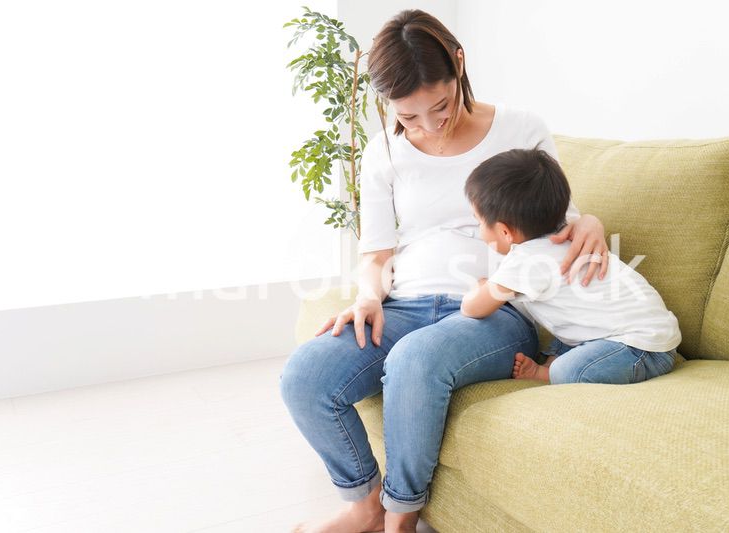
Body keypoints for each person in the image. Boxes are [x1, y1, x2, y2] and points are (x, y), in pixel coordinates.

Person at [279, 9, 611, 533]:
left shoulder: (521, 128)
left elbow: (558, 218)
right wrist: (368, 298)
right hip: (404, 306)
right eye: (408, 117)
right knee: (306, 376)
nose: (430, 127)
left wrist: (589, 219)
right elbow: (377, 253)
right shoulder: (383, 149)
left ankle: (399, 518)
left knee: (415, 360)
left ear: (459, 64)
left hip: (493, 315)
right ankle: (362, 507)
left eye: (440, 105)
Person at [461, 148, 681, 385]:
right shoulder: (570, 236)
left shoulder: (526, 260)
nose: (478, 229)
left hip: (640, 348)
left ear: (505, 232)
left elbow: (474, 309)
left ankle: (547, 373)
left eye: (479, 221)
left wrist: (481, 286)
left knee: (569, 371)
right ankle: (552, 363)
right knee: (569, 323)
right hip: (642, 335)